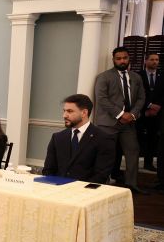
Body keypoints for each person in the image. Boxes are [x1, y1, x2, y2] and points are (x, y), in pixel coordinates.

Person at [94, 46, 146, 193]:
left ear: (129, 59)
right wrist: (121, 114)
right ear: (113, 60)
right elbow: (102, 99)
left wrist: (132, 114)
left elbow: (141, 98)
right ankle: (102, 184)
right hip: (108, 123)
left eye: (125, 58)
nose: (122, 61)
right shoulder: (104, 77)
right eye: (119, 58)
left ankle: (131, 185)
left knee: (133, 151)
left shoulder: (136, 77)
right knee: (106, 153)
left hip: (129, 123)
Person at [42, 94, 115, 183]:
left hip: (86, 194)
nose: (64, 115)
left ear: (84, 113)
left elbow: (101, 176)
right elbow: (48, 170)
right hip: (57, 191)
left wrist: (77, 190)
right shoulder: (57, 138)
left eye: (70, 111)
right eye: (64, 111)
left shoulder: (104, 139)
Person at [138, 52, 162, 171]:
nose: (155, 62)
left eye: (157, 60)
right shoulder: (138, 75)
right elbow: (136, 94)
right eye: (152, 59)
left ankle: (149, 163)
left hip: (157, 114)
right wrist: (149, 105)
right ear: (146, 61)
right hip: (141, 113)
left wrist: (158, 107)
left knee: (153, 139)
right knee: (139, 138)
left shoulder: (161, 75)